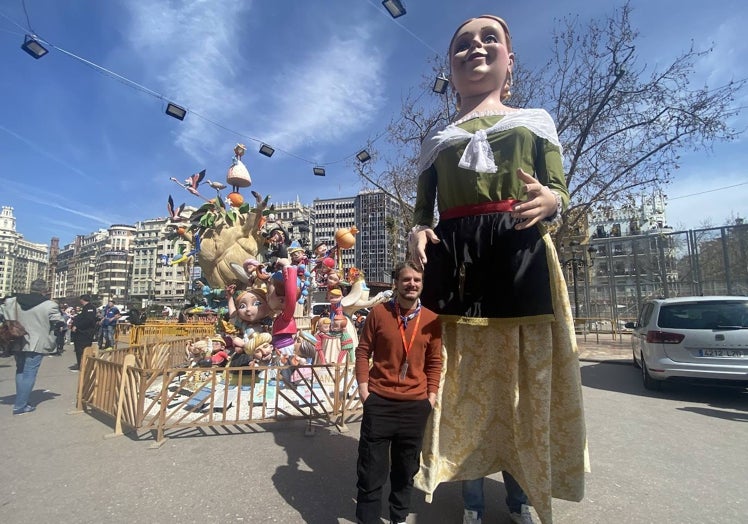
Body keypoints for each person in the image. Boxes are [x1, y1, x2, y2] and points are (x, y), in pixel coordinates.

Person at [409, 15, 586, 524]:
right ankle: (470, 503)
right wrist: (418, 230)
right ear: (450, 66)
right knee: (460, 385)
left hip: (519, 253)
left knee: (518, 386)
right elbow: (424, 212)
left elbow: (559, 191)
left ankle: (520, 499)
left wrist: (552, 198)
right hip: (457, 260)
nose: (476, 47)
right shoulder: (436, 141)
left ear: (510, 61)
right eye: (463, 43)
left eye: (490, 39)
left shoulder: (535, 121)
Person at [354, 261, 442, 524]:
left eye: (417, 280)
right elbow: (363, 351)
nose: (411, 284)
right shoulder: (379, 313)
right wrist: (363, 390)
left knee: (406, 470)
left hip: (415, 406)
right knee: (371, 469)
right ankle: (368, 519)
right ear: (396, 282)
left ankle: (398, 517)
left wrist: (431, 397)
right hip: (379, 402)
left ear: (422, 284)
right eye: (406, 279)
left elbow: (435, 361)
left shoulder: (431, 320)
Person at [0, 279, 63, 415]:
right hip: (37, 342)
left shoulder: (13, 301)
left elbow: (4, 314)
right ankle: (20, 405)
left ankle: (21, 400)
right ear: (45, 290)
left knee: (20, 370)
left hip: (17, 339)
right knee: (30, 373)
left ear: (30, 288)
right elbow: (59, 322)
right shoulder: (50, 305)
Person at [70, 294, 97, 371]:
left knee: (82, 350)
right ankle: (81, 365)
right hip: (81, 333)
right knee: (79, 350)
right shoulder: (85, 308)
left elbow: (88, 320)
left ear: (82, 300)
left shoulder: (90, 308)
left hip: (85, 333)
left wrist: (77, 326)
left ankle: (83, 366)